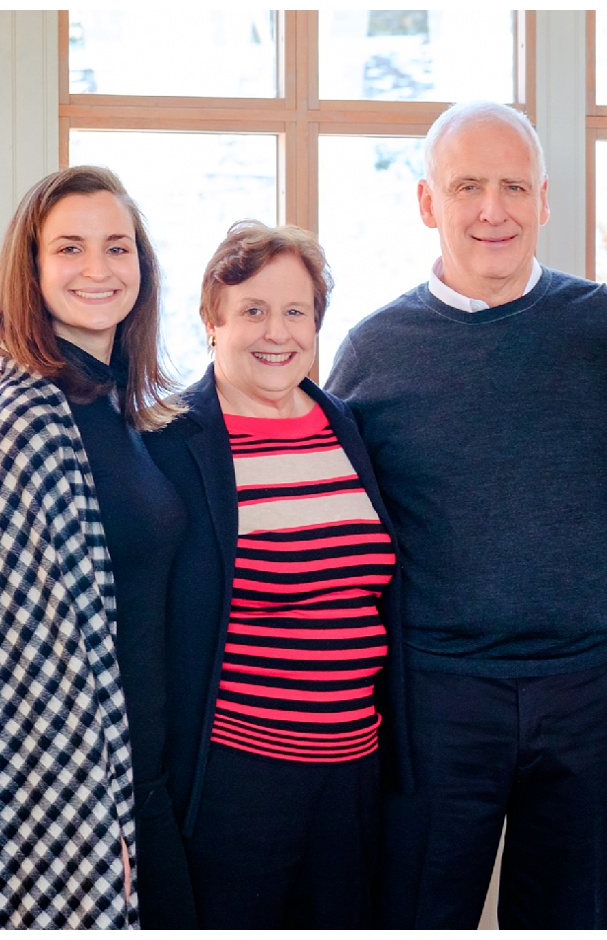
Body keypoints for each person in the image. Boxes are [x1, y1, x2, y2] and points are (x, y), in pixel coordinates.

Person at [324, 101, 607, 929]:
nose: (492, 210)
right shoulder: (375, 348)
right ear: (429, 203)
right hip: (434, 694)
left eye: (512, 187)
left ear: (544, 200)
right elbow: (335, 526)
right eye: (467, 186)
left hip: (591, 690)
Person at [0, 166, 190, 928]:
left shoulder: (119, 405)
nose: (98, 270)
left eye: (118, 247)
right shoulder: (24, 420)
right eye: (69, 249)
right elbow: (12, 667)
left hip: (150, 774)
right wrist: (89, 825)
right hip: (80, 799)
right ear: (33, 270)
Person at [144, 221, 402, 928]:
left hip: (354, 772)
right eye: (252, 310)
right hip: (237, 777)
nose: (275, 332)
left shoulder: (345, 427)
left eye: (295, 312)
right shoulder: (169, 442)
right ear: (211, 322)